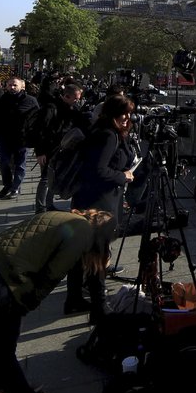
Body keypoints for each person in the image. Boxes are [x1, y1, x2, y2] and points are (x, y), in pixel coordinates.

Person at [0, 208, 118, 393]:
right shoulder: (83, 231)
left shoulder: (67, 217)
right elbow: (53, 274)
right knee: (3, 353)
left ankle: (2, 390)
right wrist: (29, 302)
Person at [64, 94, 137, 317]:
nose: (126, 118)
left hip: (87, 201)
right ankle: (100, 307)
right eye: (122, 114)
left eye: (128, 113)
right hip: (97, 206)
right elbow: (98, 171)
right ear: (111, 114)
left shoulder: (101, 131)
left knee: (80, 254)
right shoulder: (107, 135)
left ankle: (74, 299)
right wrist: (123, 176)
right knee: (98, 256)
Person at [30, 83, 87, 214]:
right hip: (49, 149)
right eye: (76, 98)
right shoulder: (51, 108)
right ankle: (40, 207)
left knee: (54, 177)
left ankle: (49, 204)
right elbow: (40, 131)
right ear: (67, 96)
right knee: (45, 178)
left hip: (63, 149)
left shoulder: (74, 109)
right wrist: (40, 152)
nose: (78, 101)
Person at [0, 77, 40, 200]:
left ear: (22, 87)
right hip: (4, 137)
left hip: (22, 139)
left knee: (20, 165)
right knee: (4, 163)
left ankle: (15, 188)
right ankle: (7, 185)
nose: (12, 87)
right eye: (10, 85)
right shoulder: (2, 99)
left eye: (14, 85)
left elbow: (38, 119)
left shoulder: (30, 101)